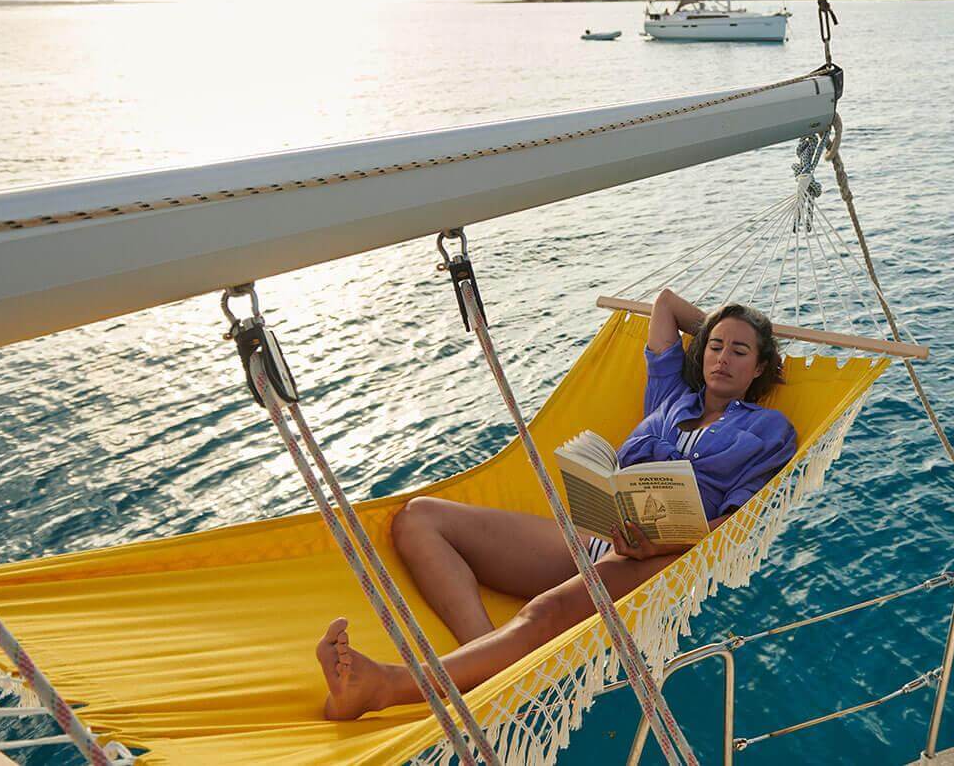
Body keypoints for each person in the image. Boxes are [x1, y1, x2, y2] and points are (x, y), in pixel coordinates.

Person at [315, 288, 796, 719]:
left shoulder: (767, 430)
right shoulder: (670, 398)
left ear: (759, 368)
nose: (722, 359)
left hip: (665, 557)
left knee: (541, 615)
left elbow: (738, 521)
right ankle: (488, 665)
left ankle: (388, 686)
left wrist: (654, 548)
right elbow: (666, 305)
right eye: (714, 346)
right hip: (603, 533)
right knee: (419, 519)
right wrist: (729, 325)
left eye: (739, 353)